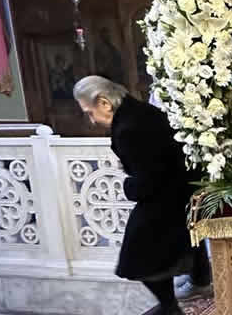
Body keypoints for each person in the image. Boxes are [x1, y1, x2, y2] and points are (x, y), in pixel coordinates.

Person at [73, 76, 210, 315]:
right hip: (184, 191)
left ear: (104, 103)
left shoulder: (128, 128)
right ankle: (199, 277)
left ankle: (171, 306)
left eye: (90, 113)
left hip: (167, 197)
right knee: (177, 243)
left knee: (136, 257)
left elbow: (149, 180)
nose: (92, 121)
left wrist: (128, 186)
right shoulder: (137, 110)